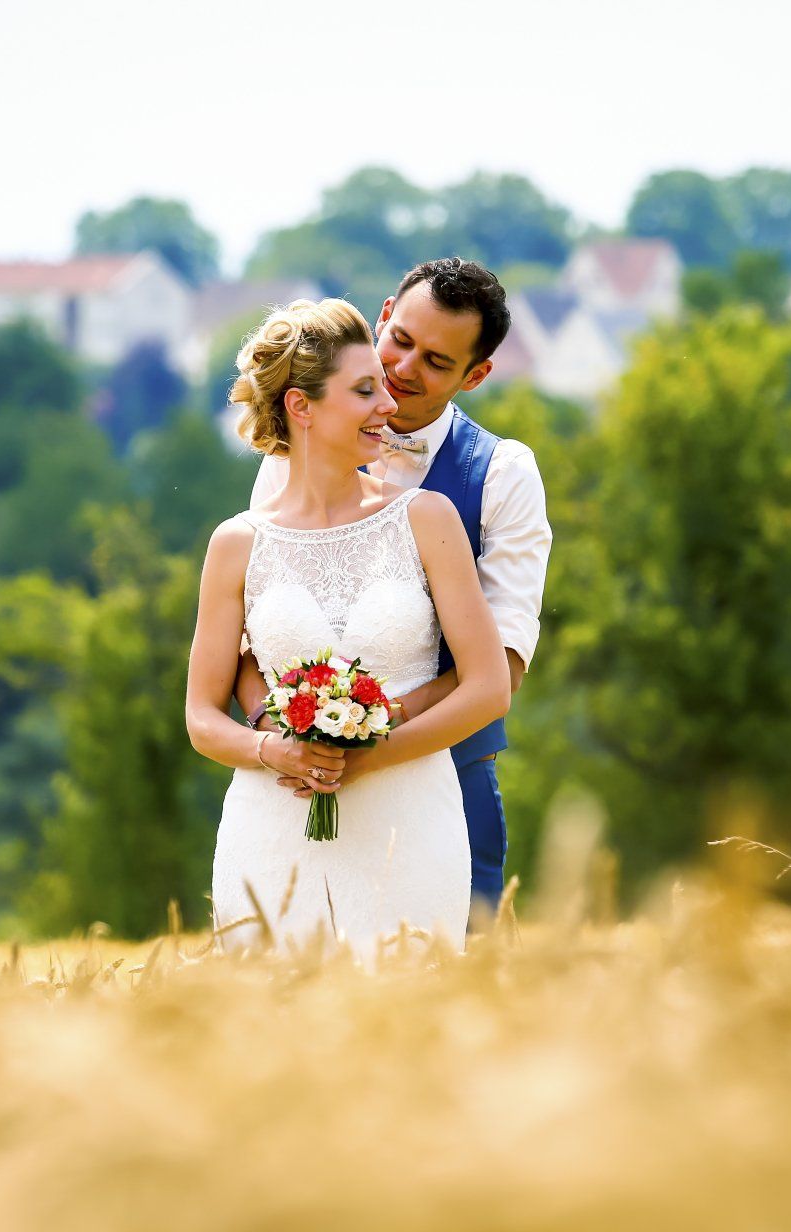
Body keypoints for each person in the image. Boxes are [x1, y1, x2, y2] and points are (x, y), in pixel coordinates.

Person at [186, 297, 510, 962]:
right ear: (302, 408)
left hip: (410, 822)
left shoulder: (429, 519)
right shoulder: (235, 544)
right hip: (270, 828)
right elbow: (201, 718)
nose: (387, 404)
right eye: (364, 390)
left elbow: (489, 689)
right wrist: (277, 752)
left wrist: (371, 756)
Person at [235, 259, 551, 925]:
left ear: (477, 375)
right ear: (382, 316)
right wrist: (286, 738)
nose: (405, 369)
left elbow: (503, 665)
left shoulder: (503, 476)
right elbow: (249, 640)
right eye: (400, 340)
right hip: (294, 796)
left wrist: (369, 730)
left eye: (437, 360)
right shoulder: (287, 462)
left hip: (446, 790)